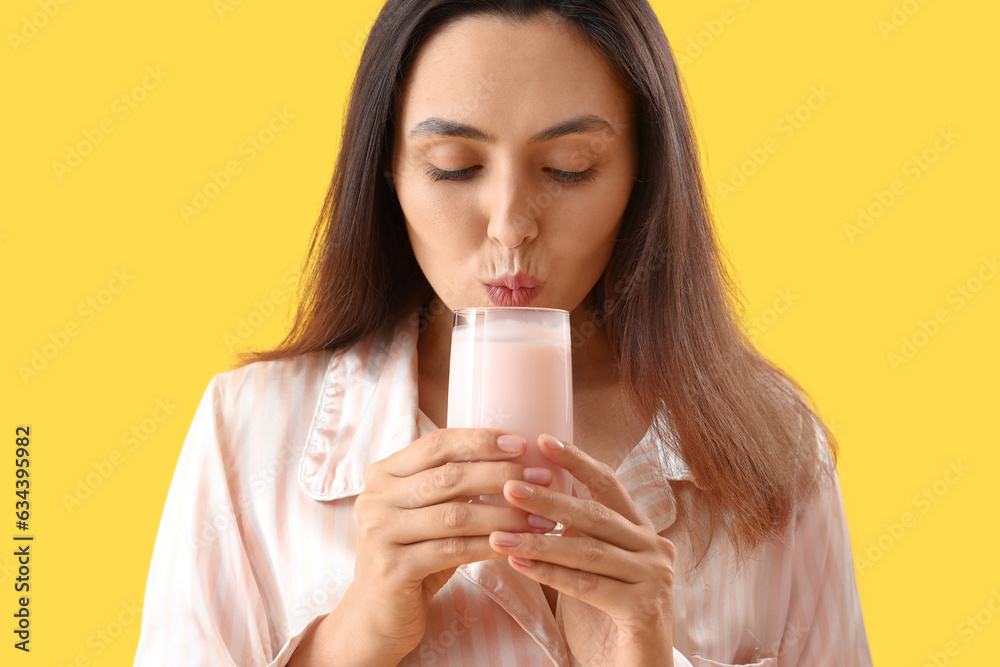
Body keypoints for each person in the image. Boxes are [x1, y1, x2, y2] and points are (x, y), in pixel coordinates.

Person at [133, 1, 873, 665]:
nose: (512, 226)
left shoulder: (771, 447)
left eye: (569, 167)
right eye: (454, 168)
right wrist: (352, 640)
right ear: (389, 167)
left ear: (642, 172)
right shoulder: (250, 429)